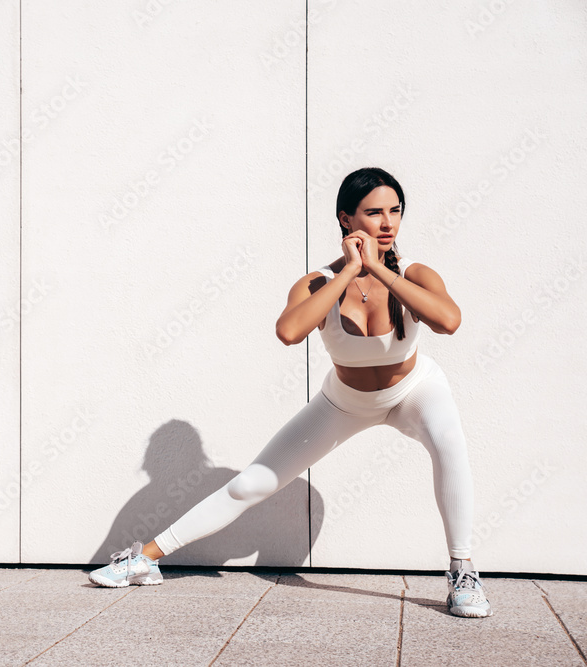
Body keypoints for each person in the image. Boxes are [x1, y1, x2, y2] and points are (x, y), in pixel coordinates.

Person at [87, 167, 492, 618]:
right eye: (373, 212)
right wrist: (351, 271)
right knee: (248, 484)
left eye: (395, 211)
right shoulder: (317, 282)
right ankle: (144, 559)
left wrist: (379, 267)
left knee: (451, 446)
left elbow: (449, 321)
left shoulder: (417, 273)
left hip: (415, 390)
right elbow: (289, 331)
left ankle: (462, 571)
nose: (387, 223)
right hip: (346, 401)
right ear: (345, 219)